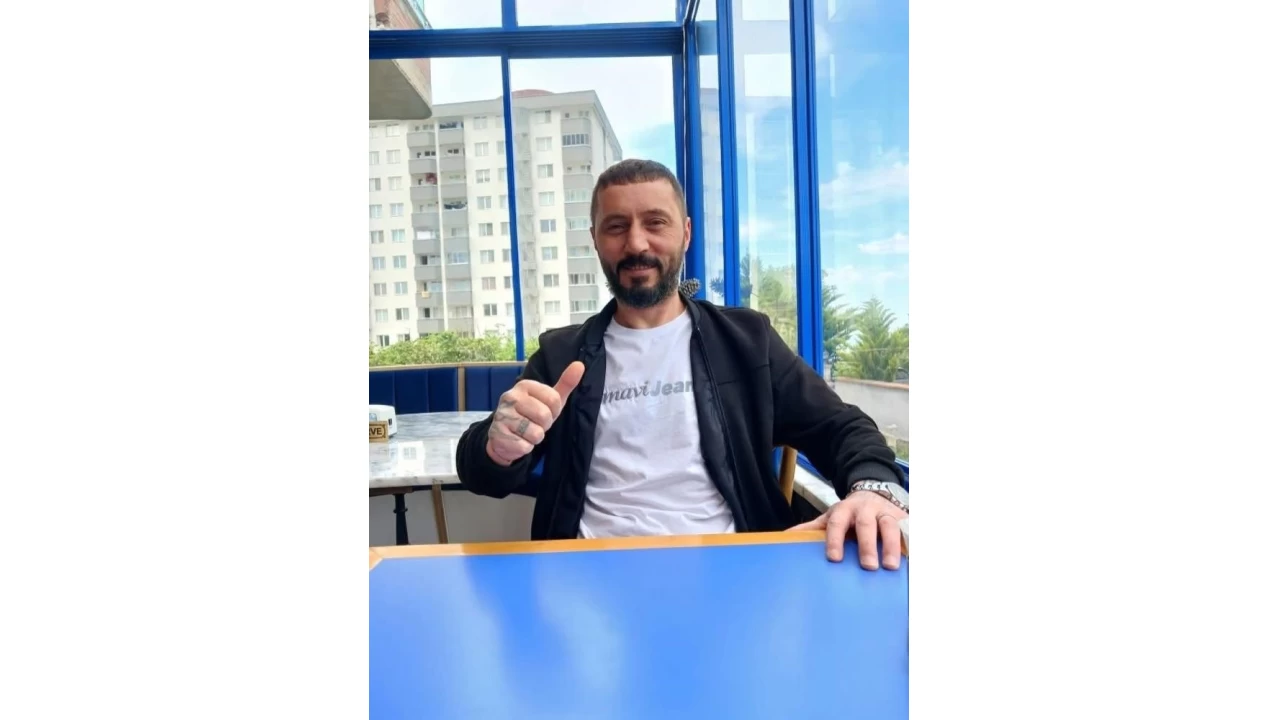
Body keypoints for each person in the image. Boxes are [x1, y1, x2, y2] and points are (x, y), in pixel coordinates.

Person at [455, 159, 909, 570]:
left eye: (656, 223)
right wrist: (498, 447)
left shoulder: (746, 342)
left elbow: (840, 428)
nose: (636, 243)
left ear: (686, 233)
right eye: (616, 227)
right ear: (595, 240)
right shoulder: (561, 355)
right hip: (589, 573)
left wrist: (874, 488)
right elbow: (481, 472)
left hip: (732, 570)